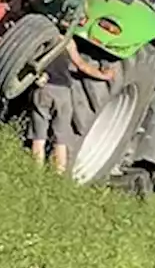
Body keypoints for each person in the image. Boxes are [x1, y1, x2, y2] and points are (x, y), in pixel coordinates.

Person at [28, 39, 114, 173]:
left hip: (42, 89)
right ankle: (58, 174)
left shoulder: (43, 37)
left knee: (38, 137)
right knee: (61, 139)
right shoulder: (67, 42)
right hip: (62, 93)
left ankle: (35, 173)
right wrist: (103, 76)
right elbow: (81, 65)